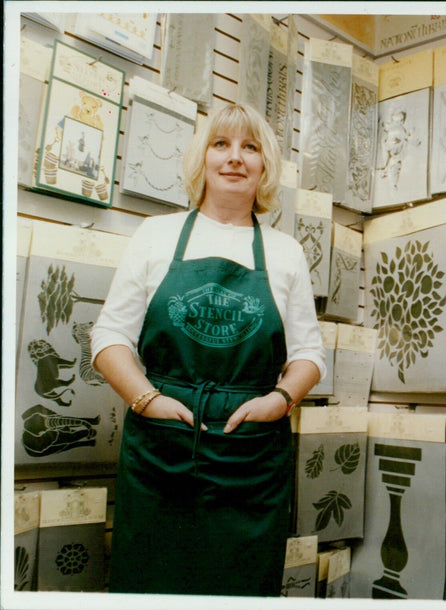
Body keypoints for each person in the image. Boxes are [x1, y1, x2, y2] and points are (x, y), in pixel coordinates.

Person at [91, 103, 325, 596]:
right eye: (221, 144)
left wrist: (278, 402)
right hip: (161, 443)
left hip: (251, 452)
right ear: (202, 158)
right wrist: (147, 400)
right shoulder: (156, 235)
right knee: (149, 579)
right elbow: (109, 337)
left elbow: (309, 355)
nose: (235, 158)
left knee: (239, 584)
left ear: (265, 166)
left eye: (250, 147)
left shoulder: (286, 251)